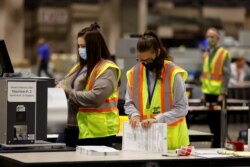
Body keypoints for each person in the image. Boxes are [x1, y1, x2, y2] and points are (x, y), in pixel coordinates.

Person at [56, 22, 121, 147]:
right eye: (79, 46)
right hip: (72, 126)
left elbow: (95, 97)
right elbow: (64, 84)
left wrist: (68, 91)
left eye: (84, 46)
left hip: (96, 132)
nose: (80, 50)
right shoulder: (79, 67)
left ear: (94, 47)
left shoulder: (107, 69)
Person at [124, 31, 189, 150]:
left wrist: (157, 119)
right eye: (141, 60)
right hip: (145, 139)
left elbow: (182, 108)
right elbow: (129, 103)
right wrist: (135, 115)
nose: (145, 64)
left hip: (172, 143)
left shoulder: (173, 73)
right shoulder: (134, 73)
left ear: (158, 52)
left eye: (148, 60)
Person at [200, 27, 231, 148]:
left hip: (218, 95)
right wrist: (203, 93)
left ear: (218, 38)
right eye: (208, 36)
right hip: (208, 94)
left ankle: (217, 146)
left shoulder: (224, 53)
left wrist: (223, 93)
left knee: (218, 124)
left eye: (212, 36)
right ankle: (215, 145)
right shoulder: (207, 54)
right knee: (211, 123)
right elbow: (205, 75)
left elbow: (227, 74)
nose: (209, 39)